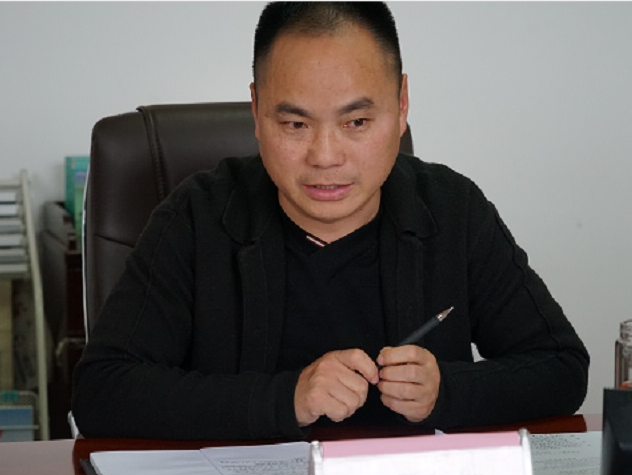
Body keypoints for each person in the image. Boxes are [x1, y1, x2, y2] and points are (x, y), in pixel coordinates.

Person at [72, 2, 589, 440]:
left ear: (402, 105)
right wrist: (286, 398)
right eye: (295, 124)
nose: (325, 156)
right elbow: (101, 391)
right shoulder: (197, 216)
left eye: (356, 122)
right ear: (256, 111)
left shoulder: (451, 209)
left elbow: (561, 367)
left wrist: (446, 392)